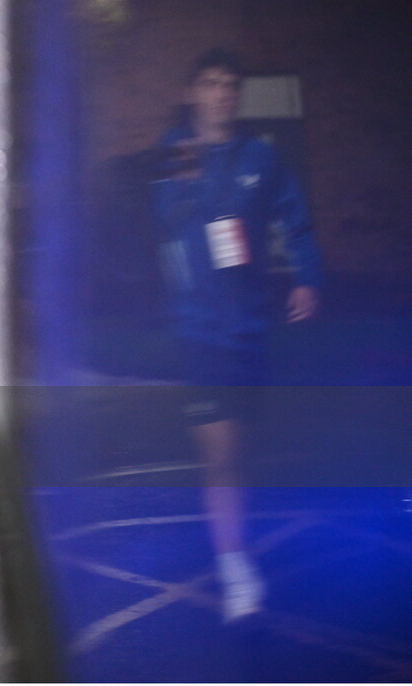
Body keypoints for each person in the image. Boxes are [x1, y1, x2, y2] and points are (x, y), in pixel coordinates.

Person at [151, 49, 322, 622]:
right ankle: (235, 568)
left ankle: (229, 543)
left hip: (250, 327)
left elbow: (293, 219)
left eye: (231, 85)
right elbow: (165, 221)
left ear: (237, 96)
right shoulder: (178, 152)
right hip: (199, 331)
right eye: (212, 83)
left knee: (241, 451)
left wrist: (306, 279)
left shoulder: (259, 158)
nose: (222, 94)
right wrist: (194, 181)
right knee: (220, 456)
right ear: (194, 91)